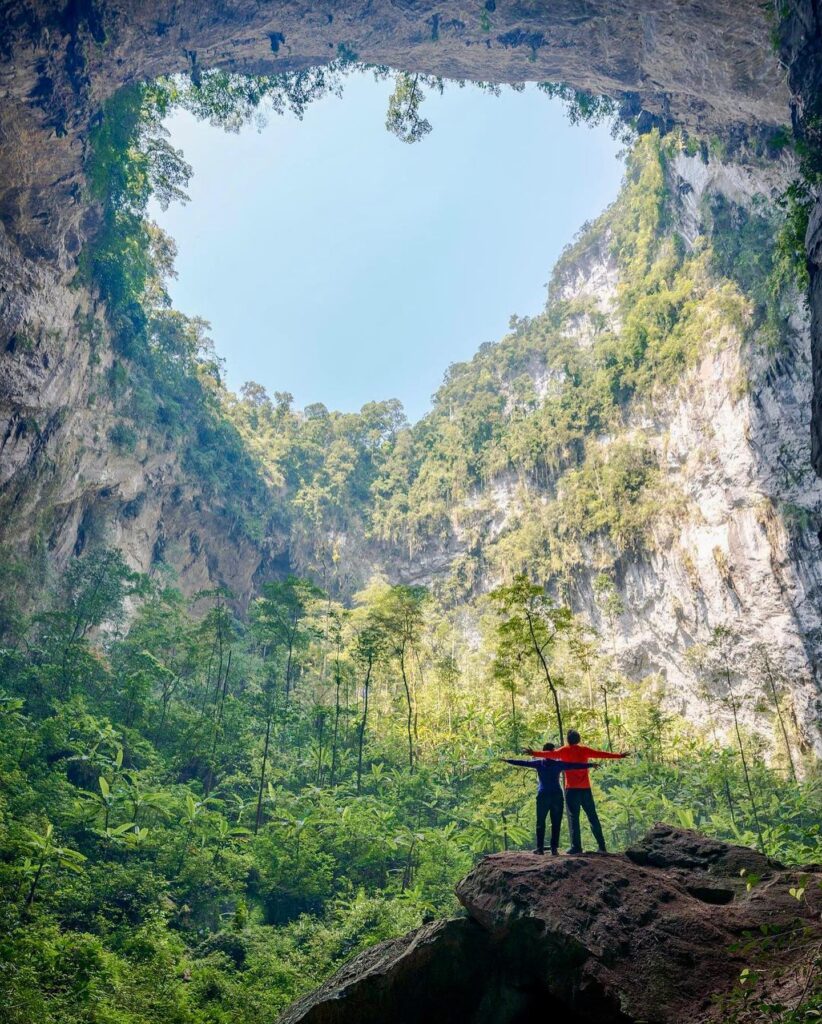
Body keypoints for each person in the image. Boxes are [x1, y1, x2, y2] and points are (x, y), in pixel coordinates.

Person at [525, 730, 630, 854]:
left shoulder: (564, 750)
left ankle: (576, 847)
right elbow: (601, 754)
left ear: (568, 740)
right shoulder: (584, 750)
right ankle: (602, 846)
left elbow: (548, 755)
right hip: (585, 789)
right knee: (593, 817)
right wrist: (619, 755)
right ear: (578, 739)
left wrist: (533, 753)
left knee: (574, 818)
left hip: (571, 790)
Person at [502, 743, 599, 855]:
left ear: (543, 753)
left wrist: (508, 760)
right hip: (556, 796)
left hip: (543, 796)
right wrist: (590, 765)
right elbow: (574, 765)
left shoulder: (539, 763)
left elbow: (523, 763)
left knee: (540, 822)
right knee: (556, 822)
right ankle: (554, 849)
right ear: (553, 752)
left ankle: (540, 848)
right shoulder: (558, 764)